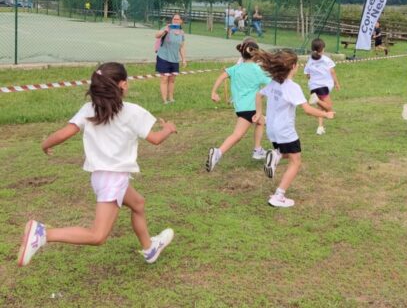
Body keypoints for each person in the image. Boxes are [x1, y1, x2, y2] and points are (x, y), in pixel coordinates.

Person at [17, 62, 177, 267]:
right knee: (97, 236)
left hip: (101, 177)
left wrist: (45, 144)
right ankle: (43, 234)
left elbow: (65, 132)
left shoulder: (88, 109)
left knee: (138, 204)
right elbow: (155, 139)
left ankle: (149, 249)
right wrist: (168, 129)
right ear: (124, 85)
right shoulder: (132, 112)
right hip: (114, 179)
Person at [252, 49, 335, 208]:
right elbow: (308, 109)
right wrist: (326, 114)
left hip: (272, 130)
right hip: (285, 131)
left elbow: (258, 95)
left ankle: (275, 155)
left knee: (286, 153)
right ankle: (279, 196)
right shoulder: (293, 87)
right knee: (296, 161)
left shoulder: (274, 82)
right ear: (293, 67)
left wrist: (259, 113)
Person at [206, 40, 271, 172]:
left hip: (241, 107)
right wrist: (263, 93)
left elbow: (221, 77)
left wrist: (213, 92)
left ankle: (257, 150)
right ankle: (218, 152)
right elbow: (271, 84)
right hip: (250, 107)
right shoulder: (257, 70)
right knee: (237, 135)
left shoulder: (235, 68)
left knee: (261, 121)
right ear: (256, 54)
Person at [305, 38, 341, 135]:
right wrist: (337, 83)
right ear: (323, 49)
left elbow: (307, 75)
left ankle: (320, 128)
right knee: (329, 109)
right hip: (323, 87)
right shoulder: (326, 60)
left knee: (320, 108)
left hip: (313, 87)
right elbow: (332, 72)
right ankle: (316, 100)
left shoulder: (310, 60)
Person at [155, 14, 187, 104]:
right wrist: (164, 31)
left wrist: (184, 59)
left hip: (174, 59)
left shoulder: (182, 32)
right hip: (163, 57)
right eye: (174, 19)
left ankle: (171, 98)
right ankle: (165, 100)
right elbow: (157, 35)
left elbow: (181, 47)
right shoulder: (167, 28)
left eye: (178, 19)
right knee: (164, 79)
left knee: (172, 79)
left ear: (181, 21)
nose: (176, 20)